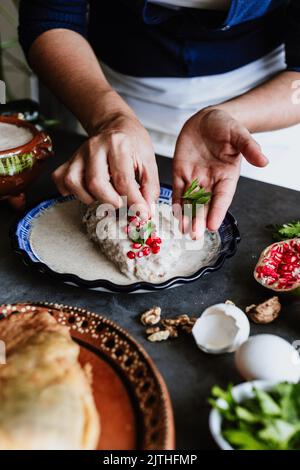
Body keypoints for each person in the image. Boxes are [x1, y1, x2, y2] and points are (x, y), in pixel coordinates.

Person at [19, 0, 300, 236]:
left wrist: (231, 115)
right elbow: (51, 18)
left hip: (264, 105)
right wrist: (110, 118)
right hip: (106, 95)